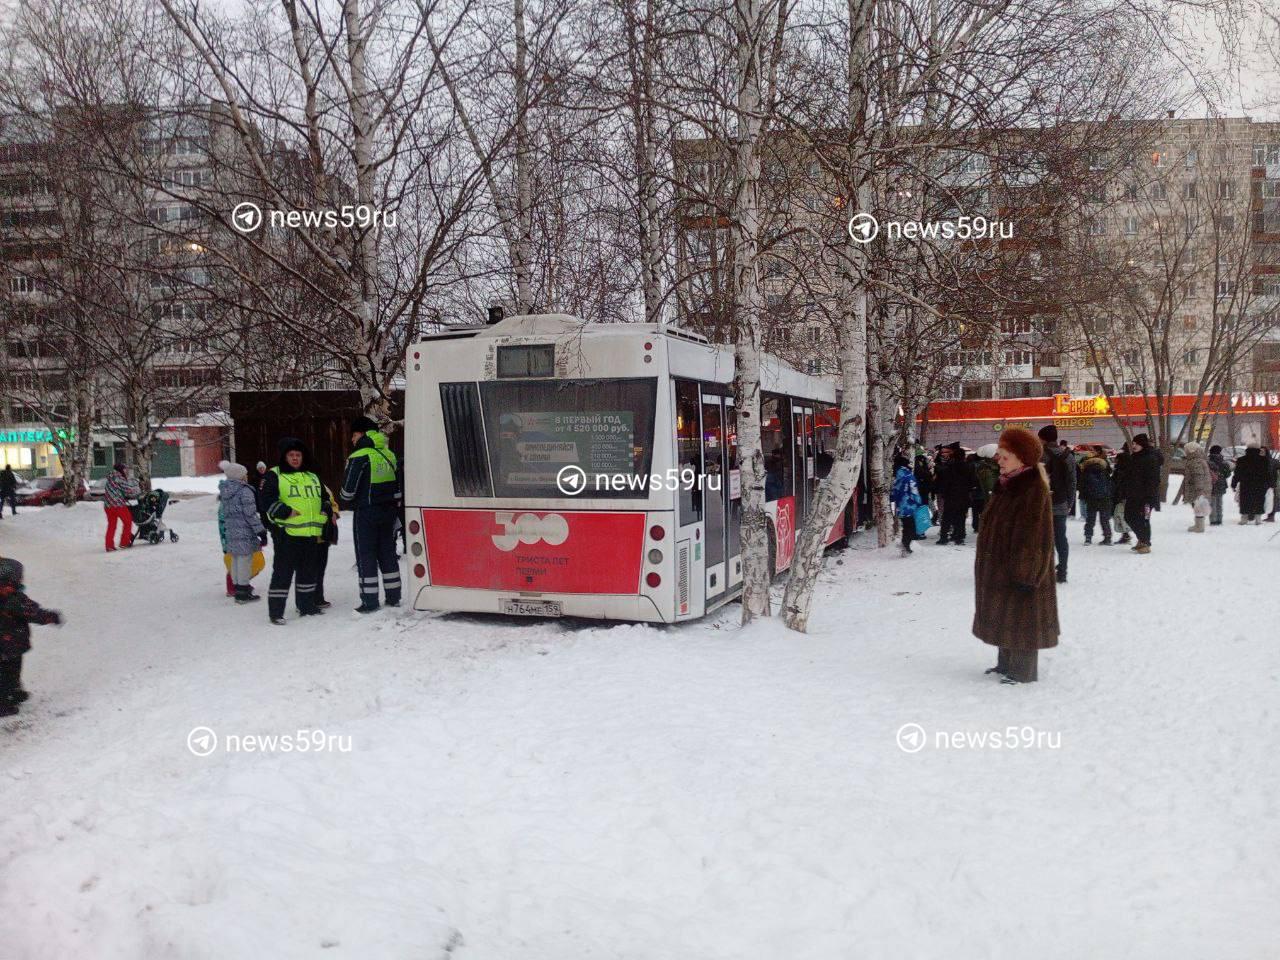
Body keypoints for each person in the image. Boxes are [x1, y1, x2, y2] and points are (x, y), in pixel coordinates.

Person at [973, 427, 1059, 684]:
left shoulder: (1031, 488)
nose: (998, 460)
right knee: (1004, 614)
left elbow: (1033, 538)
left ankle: (1022, 671)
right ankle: (1005, 664)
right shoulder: (1007, 485)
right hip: (1003, 568)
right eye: (998, 455)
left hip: (1022, 571)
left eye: (1004, 456)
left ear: (1022, 458)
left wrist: (1026, 573)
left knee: (1022, 619)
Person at [261, 437, 330, 624]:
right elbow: (266, 502)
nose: (295, 458)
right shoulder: (274, 475)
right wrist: (286, 512)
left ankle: (307, 606)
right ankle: (276, 613)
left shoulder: (312, 476)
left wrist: (325, 511)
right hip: (287, 534)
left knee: (308, 573)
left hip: (310, 534)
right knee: (282, 574)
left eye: (298, 455)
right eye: (291, 455)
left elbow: (324, 498)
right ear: (284, 457)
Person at [340, 415, 402, 613]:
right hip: (389, 511)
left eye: (354, 435)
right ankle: (394, 596)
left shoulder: (360, 455)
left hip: (366, 513)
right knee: (387, 553)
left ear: (362, 434)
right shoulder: (389, 454)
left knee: (366, 555)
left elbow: (347, 493)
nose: (352, 440)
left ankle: (369, 600)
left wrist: (344, 495)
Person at [0, 558, 63, 717]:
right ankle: (3, 703)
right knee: (6, 674)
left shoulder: (14, 597)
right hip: (8, 644)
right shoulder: (14, 600)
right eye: (16, 581)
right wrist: (49, 617)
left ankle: (13, 692)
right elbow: (33, 613)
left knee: (12, 671)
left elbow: (31, 611)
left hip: (11, 645)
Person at [218, 460, 267, 603]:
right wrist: (261, 531)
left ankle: (238, 590)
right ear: (239, 476)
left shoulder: (225, 490)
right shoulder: (245, 491)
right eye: (245, 474)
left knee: (235, 560)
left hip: (232, 531)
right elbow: (250, 514)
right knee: (245, 561)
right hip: (245, 532)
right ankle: (243, 592)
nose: (247, 476)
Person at [1037, 425, 1076, 582]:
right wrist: (1070, 502)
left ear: (1044, 439)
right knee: (1061, 538)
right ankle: (1063, 571)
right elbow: (1072, 481)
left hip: (1042, 503)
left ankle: (1045, 570)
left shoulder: (1039, 456)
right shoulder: (1069, 456)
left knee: (1044, 539)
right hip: (1061, 502)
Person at [1119, 434, 1160, 553]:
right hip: (1133, 495)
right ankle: (1142, 539)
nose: (1134, 446)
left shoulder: (1151, 458)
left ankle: (1145, 543)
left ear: (1143, 444)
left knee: (1143, 520)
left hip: (1146, 496)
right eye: (1133, 443)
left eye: (1136, 443)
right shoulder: (1134, 457)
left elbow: (1153, 480)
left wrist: (1148, 496)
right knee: (1128, 516)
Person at [934, 442, 975, 545]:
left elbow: (945, 481)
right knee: (960, 518)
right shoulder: (969, 467)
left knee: (947, 517)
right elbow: (972, 481)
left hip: (951, 495)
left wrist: (944, 492)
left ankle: (944, 537)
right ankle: (959, 537)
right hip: (963, 496)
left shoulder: (949, 467)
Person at [1078, 445, 1113, 545]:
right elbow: (1109, 482)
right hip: (1104, 497)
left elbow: (1083, 484)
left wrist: (1083, 496)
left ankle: (1088, 538)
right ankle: (1108, 537)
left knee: (1090, 518)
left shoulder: (1086, 468)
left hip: (1091, 497)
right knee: (1104, 519)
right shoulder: (1105, 467)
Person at [102, 462, 140, 553]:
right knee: (128, 522)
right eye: (124, 469)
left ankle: (109, 546)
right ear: (120, 469)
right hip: (118, 505)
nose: (125, 471)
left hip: (108, 506)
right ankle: (124, 542)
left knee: (112, 525)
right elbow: (129, 490)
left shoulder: (110, 478)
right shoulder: (119, 478)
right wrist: (138, 489)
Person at [890, 454, 923, 556]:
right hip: (910, 504)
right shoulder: (908, 475)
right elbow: (914, 490)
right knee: (911, 528)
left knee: (906, 526)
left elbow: (893, 491)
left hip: (900, 505)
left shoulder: (897, 475)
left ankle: (905, 545)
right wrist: (918, 501)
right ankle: (905, 546)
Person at [314, 484, 340, 609]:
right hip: (307, 535)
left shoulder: (324, 487)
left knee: (320, 569)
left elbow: (333, 503)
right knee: (307, 570)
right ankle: (306, 600)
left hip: (324, 534)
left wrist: (334, 513)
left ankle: (318, 597)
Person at [1231, 441, 1270, 524]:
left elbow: (1237, 473)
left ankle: (1244, 518)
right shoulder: (1264, 460)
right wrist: (1269, 483)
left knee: (1245, 500)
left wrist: (1233, 483)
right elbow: (1267, 473)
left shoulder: (1241, 460)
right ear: (1258, 450)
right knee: (1259, 500)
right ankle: (1258, 518)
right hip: (1259, 484)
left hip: (1246, 484)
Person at [1180, 442, 1212, 534]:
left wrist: (1199, 491)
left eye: (1186, 450)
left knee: (1198, 507)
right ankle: (1198, 525)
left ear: (1191, 451)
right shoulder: (1198, 460)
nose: (1185, 452)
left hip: (1198, 489)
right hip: (1200, 488)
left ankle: (1199, 527)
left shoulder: (1195, 462)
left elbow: (1199, 476)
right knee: (1198, 507)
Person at [970, 451, 996, 532]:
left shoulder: (972, 466)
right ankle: (983, 525)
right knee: (983, 510)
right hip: (983, 493)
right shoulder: (987, 468)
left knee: (975, 512)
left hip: (974, 492)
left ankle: (975, 526)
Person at [1111, 445, 1132, 544]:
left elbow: (1119, 485)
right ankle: (1125, 535)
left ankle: (1126, 535)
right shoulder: (1123, 470)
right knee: (1120, 516)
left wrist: (1120, 497)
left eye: (1117, 459)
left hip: (1121, 497)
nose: (1115, 461)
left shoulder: (1121, 471)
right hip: (1121, 496)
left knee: (1120, 516)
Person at [1207, 444, 1232, 526]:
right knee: (1219, 502)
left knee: (1212, 503)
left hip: (1211, 484)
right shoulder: (1223, 462)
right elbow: (1228, 474)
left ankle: (1213, 520)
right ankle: (1219, 519)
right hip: (1221, 484)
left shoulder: (1208, 462)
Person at [913, 453, 936, 527]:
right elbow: (927, 477)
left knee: (922, 509)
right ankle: (921, 527)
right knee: (922, 509)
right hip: (922, 492)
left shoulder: (919, 467)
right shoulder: (921, 468)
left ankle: (922, 527)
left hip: (922, 492)